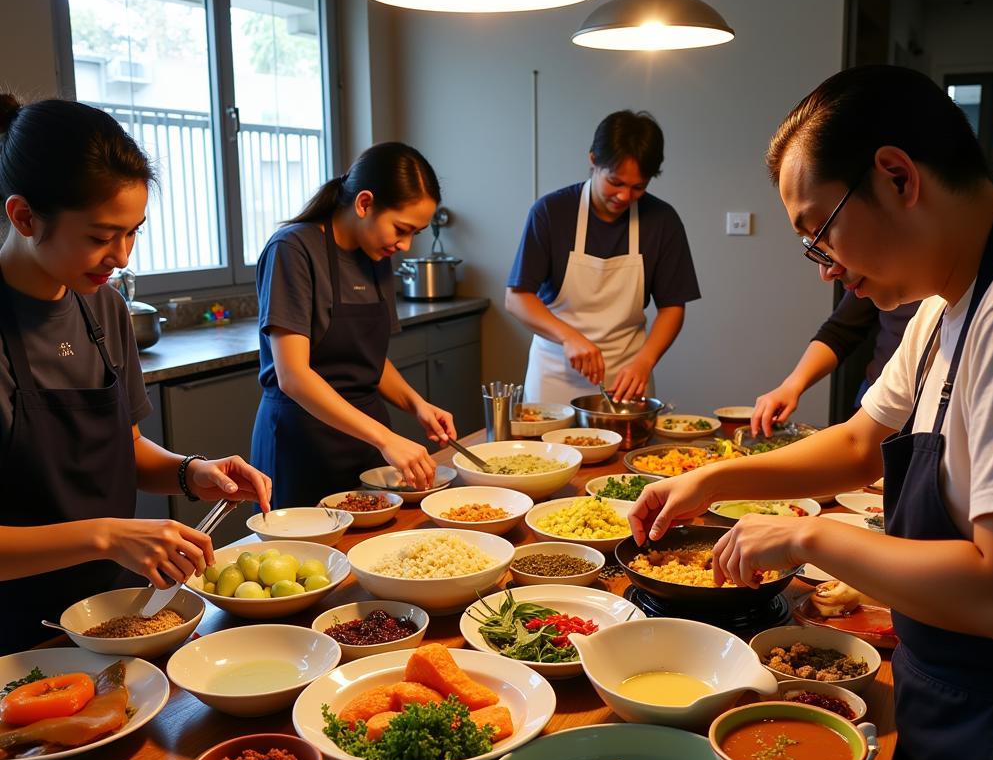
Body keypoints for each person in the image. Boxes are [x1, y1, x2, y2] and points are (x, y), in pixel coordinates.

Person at [629, 65, 993, 760]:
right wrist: (714, 480)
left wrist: (810, 538)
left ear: (897, 175)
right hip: (946, 699)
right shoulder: (946, 305)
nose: (826, 269)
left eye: (821, 233)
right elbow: (854, 441)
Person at [0, 96, 272, 654]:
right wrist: (107, 534)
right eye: (101, 237)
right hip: (17, 636)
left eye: (133, 233)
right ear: (24, 216)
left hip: (114, 611)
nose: (121, 256)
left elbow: (123, 446)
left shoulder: (102, 307)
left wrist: (190, 472)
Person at [250, 143, 456, 507]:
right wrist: (385, 439)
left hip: (363, 445)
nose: (405, 244)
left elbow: (368, 359)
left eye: (415, 233)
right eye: (401, 228)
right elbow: (293, 375)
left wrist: (416, 404)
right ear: (364, 203)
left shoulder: (375, 253)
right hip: (302, 446)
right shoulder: (293, 250)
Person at [506, 110, 700, 403]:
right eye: (616, 182)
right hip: (555, 375)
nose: (624, 196)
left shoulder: (662, 220)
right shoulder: (551, 213)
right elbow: (517, 298)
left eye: (638, 187)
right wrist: (569, 337)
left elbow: (672, 307)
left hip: (626, 378)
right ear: (594, 160)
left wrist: (645, 362)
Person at [750, 291, 920, 436]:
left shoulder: (933, 314)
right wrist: (791, 386)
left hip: (913, 412)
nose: (828, 274)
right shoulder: (874, 276)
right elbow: (840, 331)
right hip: (875, 397)